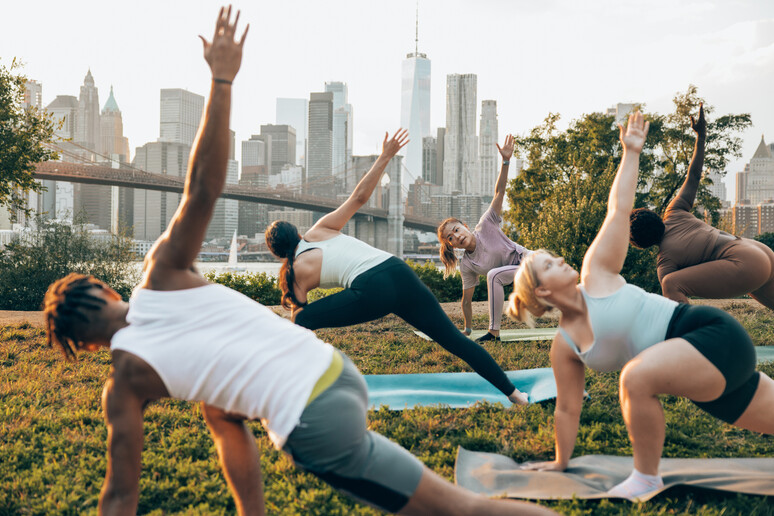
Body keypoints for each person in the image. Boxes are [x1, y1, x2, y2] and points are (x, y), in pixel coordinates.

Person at [42, 10, 555, 516]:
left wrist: (299, 311)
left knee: (452, 505)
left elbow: (118, 498)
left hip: (314, 414)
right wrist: (222, 79)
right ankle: (512, 393)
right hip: (340, 369)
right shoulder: (164, 275)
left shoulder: (127, 382)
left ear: (82, 345)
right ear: (107, 290)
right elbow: (204, 189)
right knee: (236, 399)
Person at [507, 111, 774, 500]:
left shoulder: (596, 272)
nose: (561, 261)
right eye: (549, 264)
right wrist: (561, 462)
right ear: (543, 293)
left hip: (708, 334)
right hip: (705, 373)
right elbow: (566, 409)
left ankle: (646, 479)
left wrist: (631, 152)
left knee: (633, 378)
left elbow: (618, 210)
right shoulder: (565, 346)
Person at [265, 131, 528, 405]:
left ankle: (315, 386)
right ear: (296, 233)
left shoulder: (294, 274)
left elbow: (299, 327)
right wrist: (385, 156)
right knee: (454, 341)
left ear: (278, 254)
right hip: (398, 272)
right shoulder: (319, 230)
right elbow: (359, 198)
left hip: (372, 289)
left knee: (301, 320)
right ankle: (515, 394)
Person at [629, 104, 774, 309]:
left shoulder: (666, 263)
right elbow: (694, 175)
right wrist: (701, 137)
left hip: (745, 263)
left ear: (640, 244)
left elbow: (671, 294)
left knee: (670, 284)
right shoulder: (675, 211)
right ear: (654, 216)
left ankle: (690, 335)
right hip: (758, 250)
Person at [437, 134, 531, 343]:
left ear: (466, 226)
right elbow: (466, 302)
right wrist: (467, 331)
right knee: (495, 276)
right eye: (450, 238)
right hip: (519, 276)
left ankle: (493, 334)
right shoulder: (468, 265)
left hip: (531, 262)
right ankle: (493, 333)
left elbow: (499, 192)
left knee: (495, 275)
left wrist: (506, 161)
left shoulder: (486, 223)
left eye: (457, 229)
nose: (456, 236)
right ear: (451, 246)